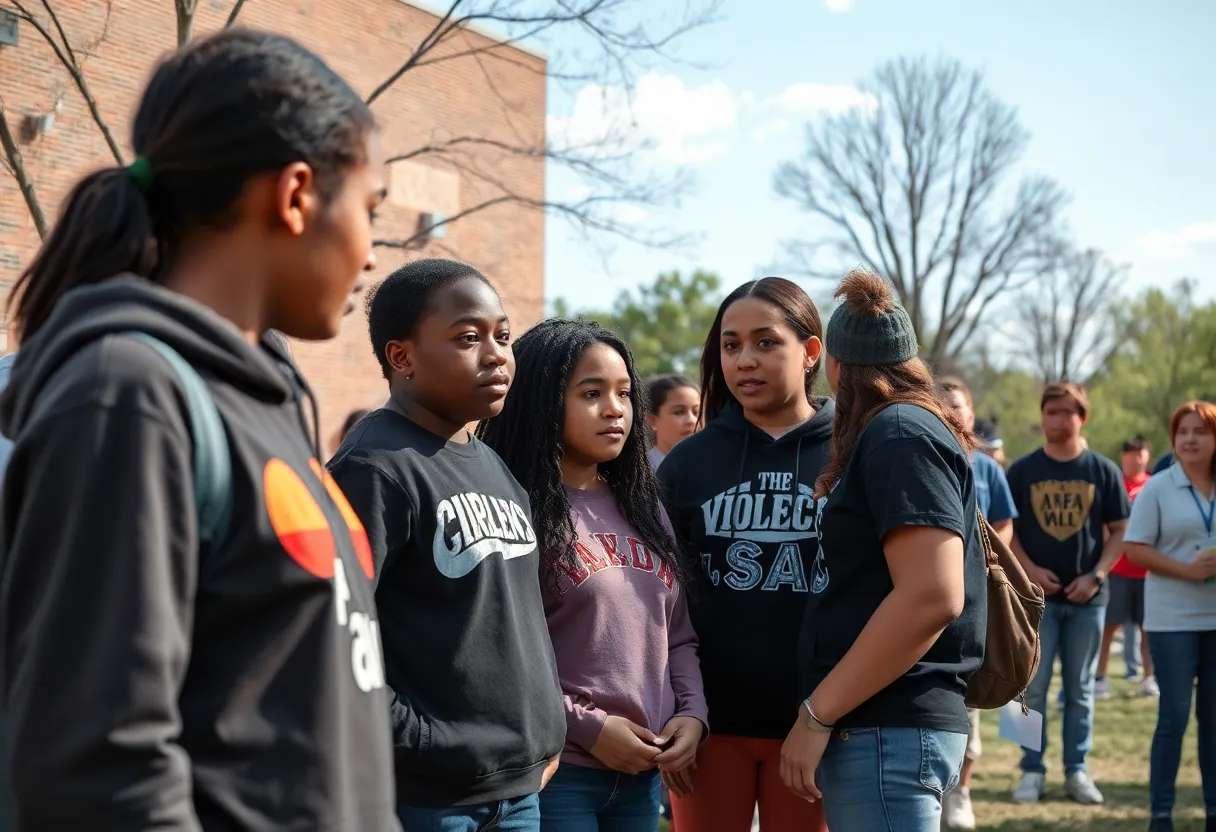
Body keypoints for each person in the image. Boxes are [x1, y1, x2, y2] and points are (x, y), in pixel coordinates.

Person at [0, 29, 397, 829]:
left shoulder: (271, 402)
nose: (372, 252)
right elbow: (98, 770)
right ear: (294, 196)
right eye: (372, 210)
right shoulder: (129, 394)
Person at [327, 259, 566, 830]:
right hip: (430, 800)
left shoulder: (492, 465)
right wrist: (423, 744)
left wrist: (542, 727)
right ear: (402, 357)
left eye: (502, 336)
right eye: (467, 338)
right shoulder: (373, 469)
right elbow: (330, 639)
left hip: (520, 790)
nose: (496, 354)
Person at [478, 318, 707, 831]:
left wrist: (692, 714)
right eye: (591, 393)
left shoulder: (644, 506)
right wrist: (588, 727)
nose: (615, 410)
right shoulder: (514, 506)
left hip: (644, 775)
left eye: (624, 393)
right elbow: (501, 653)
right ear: (542, 399)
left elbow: (679, 637)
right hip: (557, 776)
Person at [780, 270, 984, 832]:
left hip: (888, 729)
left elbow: (931, 596)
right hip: (879, 727)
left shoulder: (899, 433)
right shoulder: (898, 430)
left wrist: (816, 716)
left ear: (836, 366)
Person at [657, 277, 831, 832]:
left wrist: (826, 713)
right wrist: (676, 708)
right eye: (731, 346)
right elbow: (660, 601)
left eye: (765, 342)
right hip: (708, 724)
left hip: (820, 722)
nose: (744, 360)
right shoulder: (687, 463)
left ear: (810, 352)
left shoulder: (853, 452)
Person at [1006, 382, 1130, 806]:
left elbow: (1122, 532)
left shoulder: (1103, 471)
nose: (1056, 420)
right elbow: (1006, 532)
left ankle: (1077, 770)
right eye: (1049, 412)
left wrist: (1096, 575)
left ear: (1083, 418)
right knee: (1027, 691)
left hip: (1087, 602)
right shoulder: (1021, 471)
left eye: (1065, 412)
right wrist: (1030, 570)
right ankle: (1029, 770)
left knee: (1080, 691)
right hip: (1033, 604)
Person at [1124, 401, 1216, 832]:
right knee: (1175, 716)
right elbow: (1135, 548)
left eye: (1201, 431)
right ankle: (1161, 814)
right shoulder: (1159, 487)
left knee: (1213, 720)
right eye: (1183, 432)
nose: (1191, 439)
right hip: (1172, 620)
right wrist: (1188, 571)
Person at [938, 377, 1018, 831]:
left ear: (971, 414)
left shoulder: (988, 468)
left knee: (971, 707)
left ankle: (962, 792)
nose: (952, 412)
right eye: (942, 404)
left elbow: (1005, 522)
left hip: (978, 603)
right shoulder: (918, 456)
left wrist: (988, 556)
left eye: (960, 406)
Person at [1095, 436, 1157, 699]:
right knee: (1108, 627)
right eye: (1131, 453)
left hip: (1148, 571)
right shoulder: (1115, 484)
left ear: (1147, 455)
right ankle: (1100, 678)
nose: (1136, 457)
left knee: (1148, 628)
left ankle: (1149, 677)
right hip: (1117, 570)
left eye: (1141, 452)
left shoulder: (1154, 486)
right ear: (1124, 457)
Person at [646, 374, 700, 469]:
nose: (691, 421)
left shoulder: (713, 465)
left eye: (696, 412)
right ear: (653, 421)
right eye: (679, 412)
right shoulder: (638, 472)